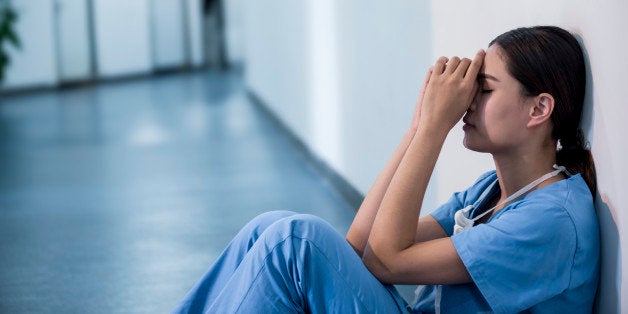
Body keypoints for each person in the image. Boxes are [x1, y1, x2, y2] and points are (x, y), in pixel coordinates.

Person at [173, 26, 600, 313]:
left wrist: (434, 130)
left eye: (483, 89)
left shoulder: (551, 220)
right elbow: (361, 246)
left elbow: (388, 262)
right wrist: (417, 128)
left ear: (539, 108)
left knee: (296, 240)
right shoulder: (491, 191)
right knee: (269, 227)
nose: (468, 102)